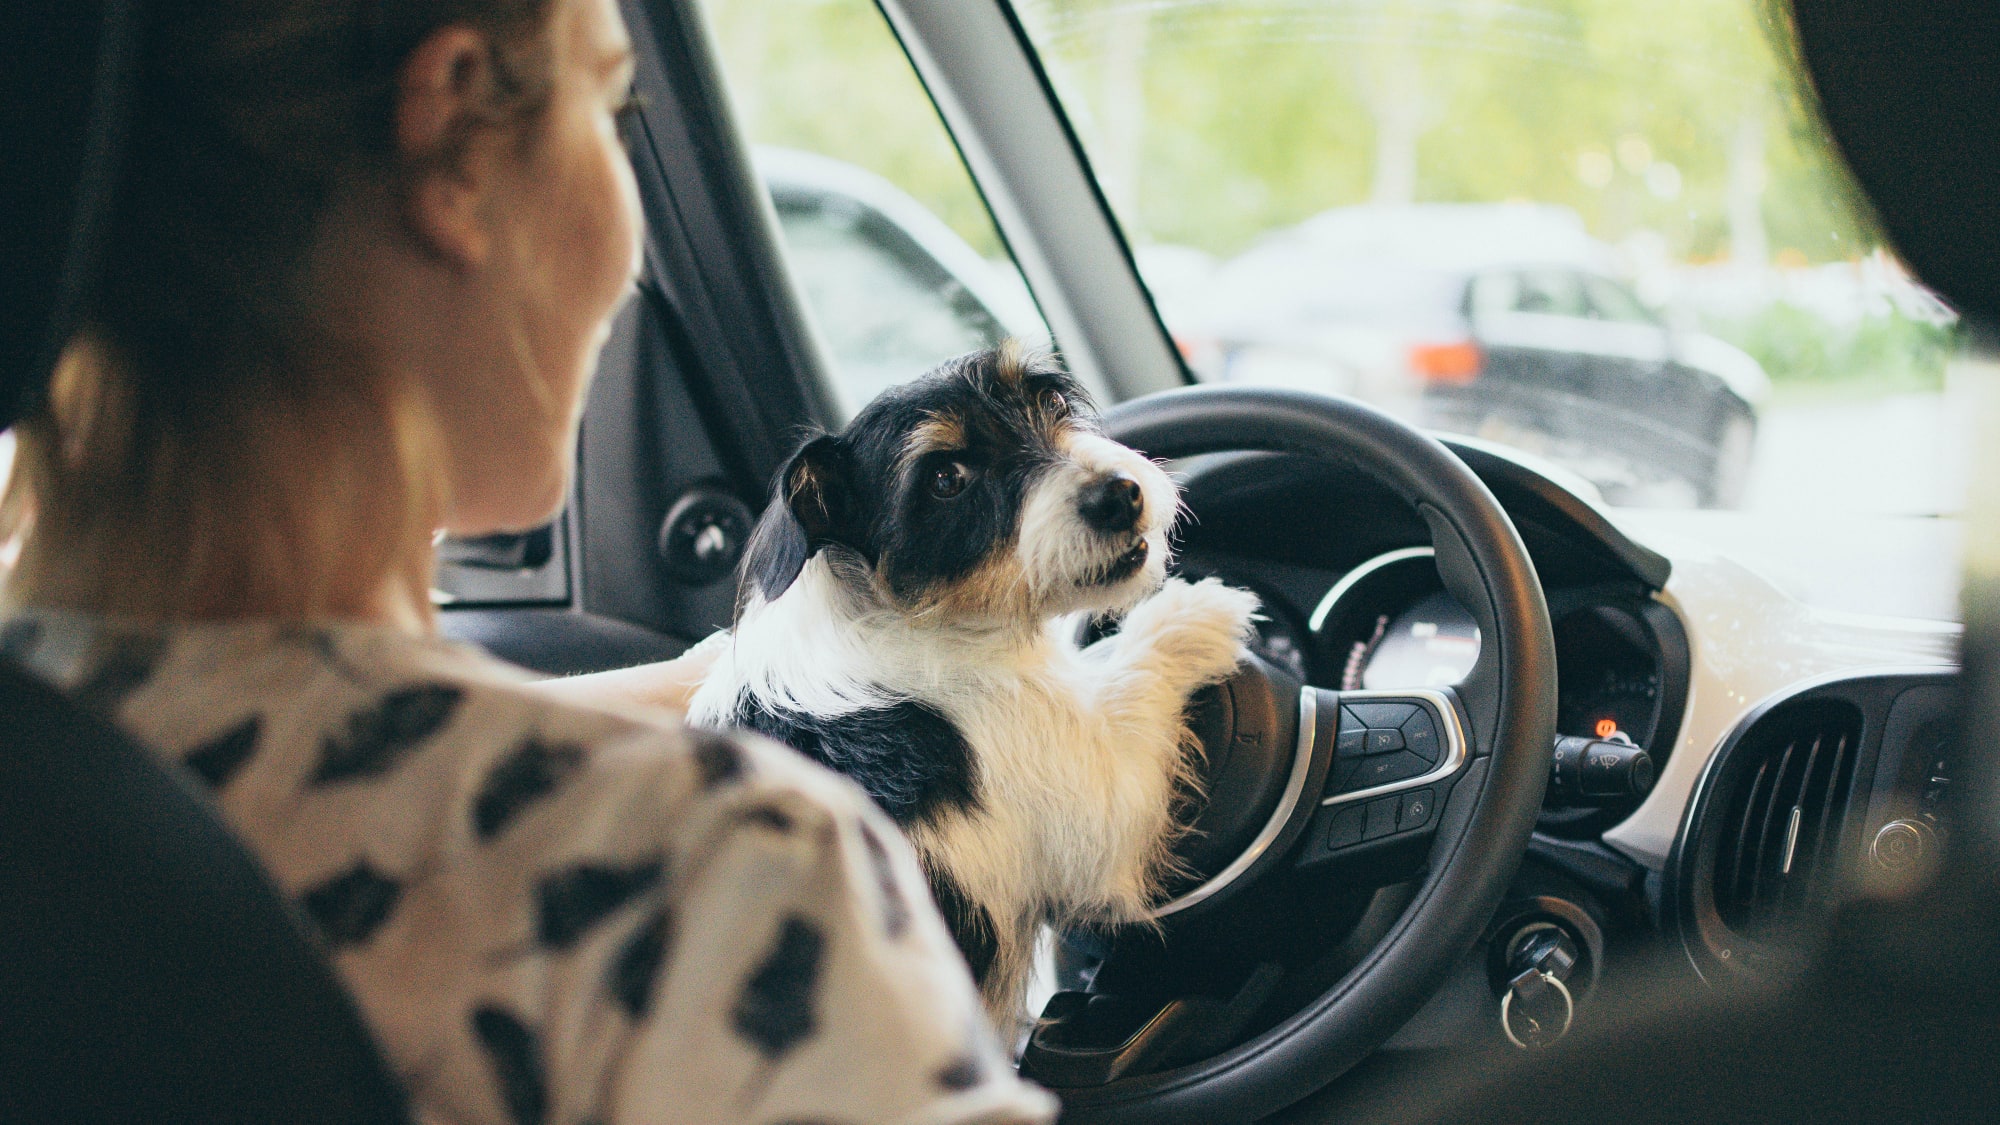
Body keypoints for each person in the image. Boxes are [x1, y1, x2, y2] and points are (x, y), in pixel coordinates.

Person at [0, 0, 1056, 1122]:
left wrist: (731, 677)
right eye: (610, 104)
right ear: (454, 140)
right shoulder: (718, 882)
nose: (628, 219)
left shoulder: (56, 789)